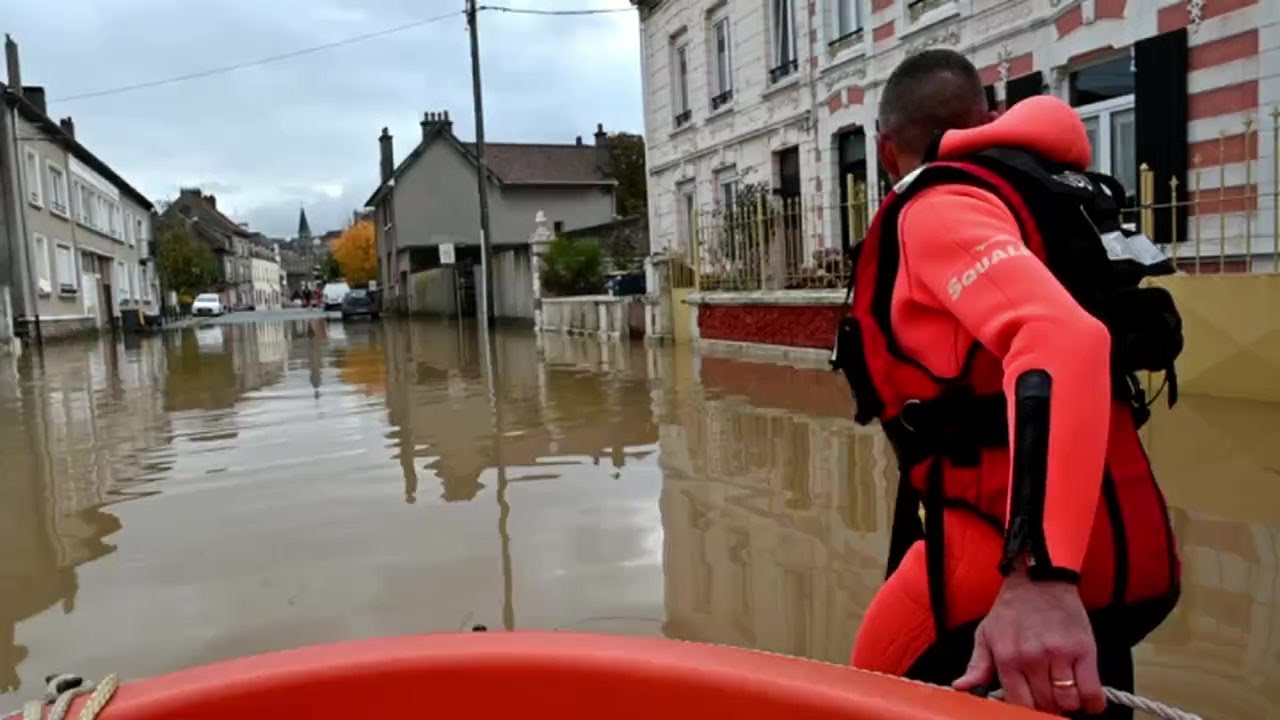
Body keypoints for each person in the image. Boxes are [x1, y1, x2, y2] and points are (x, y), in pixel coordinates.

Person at [831, 50, 1183, 718]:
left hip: (1010, 566)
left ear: (884, 150)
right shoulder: (1045, 194)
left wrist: (1039, 579)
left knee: (857, 691)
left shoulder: (938, 204)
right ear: (986, 116)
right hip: (1122, 548)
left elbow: (1064, 340)